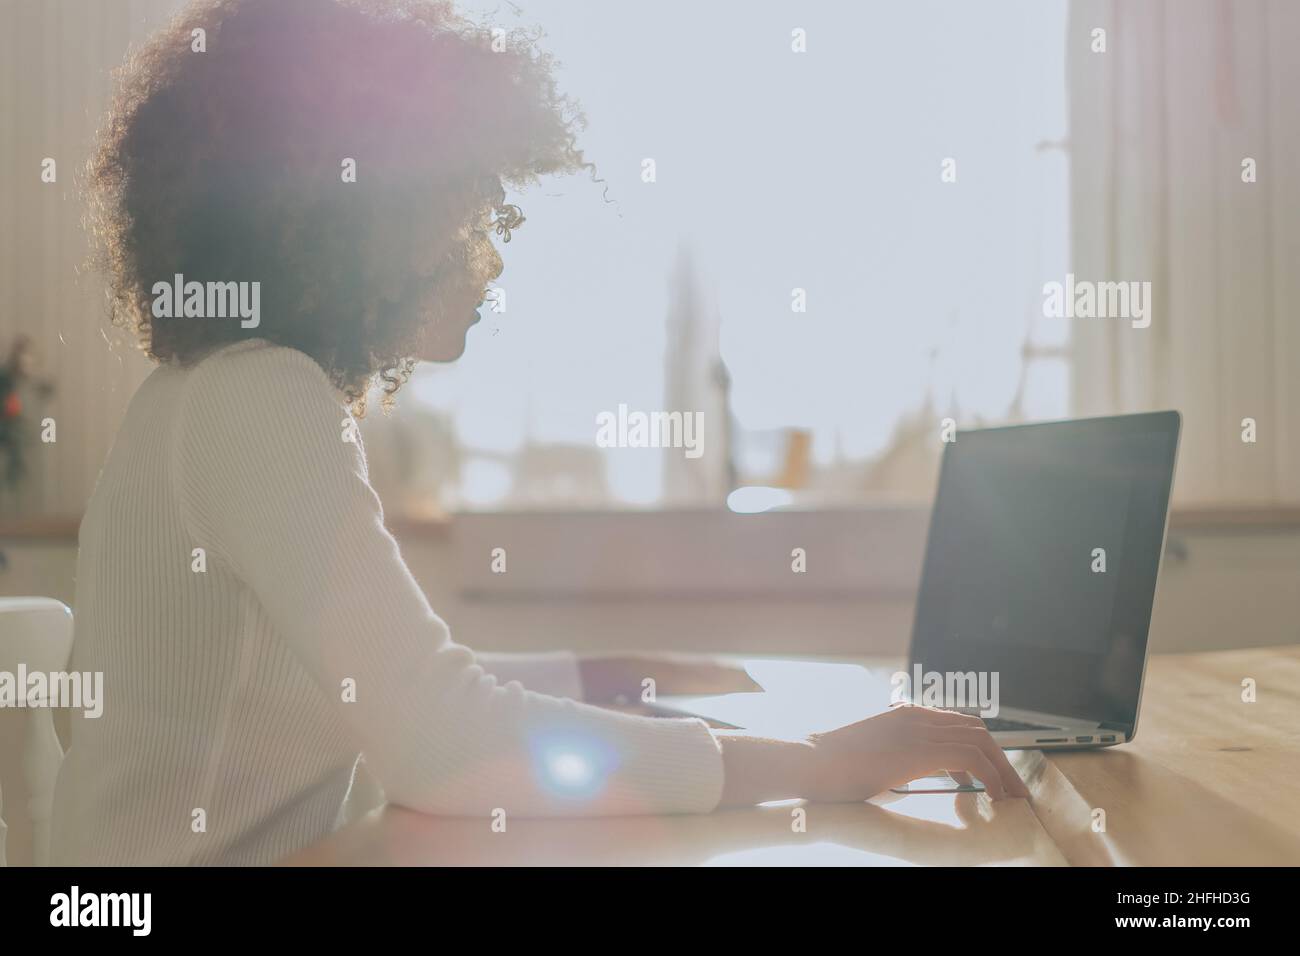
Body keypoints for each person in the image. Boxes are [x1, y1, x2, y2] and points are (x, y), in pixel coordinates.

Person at [52, 0, 1026, 866]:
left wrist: (605, 673)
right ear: (355, 221)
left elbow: (385, 683)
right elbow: (440, 743)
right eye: (467, 210)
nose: (490, 255)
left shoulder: (213, 391)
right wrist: (819, 760)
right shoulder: (259, 400)